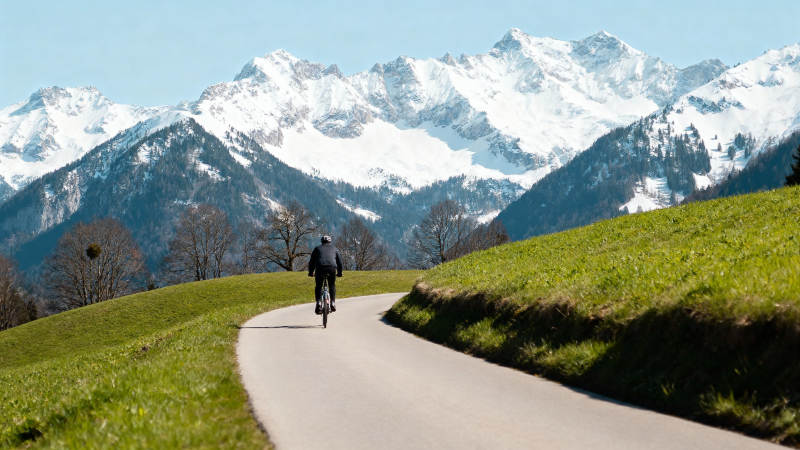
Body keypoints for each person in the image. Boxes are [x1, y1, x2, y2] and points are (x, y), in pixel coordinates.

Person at [308, 235, 343, 314]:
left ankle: (319, 303)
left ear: (321, 241)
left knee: (318, 286)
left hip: (320, 268)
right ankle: (333, 303)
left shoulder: (317, 249)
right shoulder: (335, 249)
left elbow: (312, 262)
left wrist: (310, 272)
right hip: (332, 268)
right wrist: (340, 273)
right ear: (330, 242)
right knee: (332, 285)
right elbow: (340, 263)